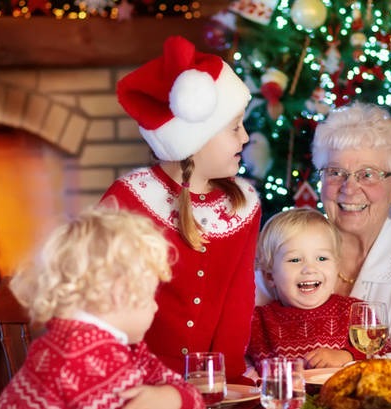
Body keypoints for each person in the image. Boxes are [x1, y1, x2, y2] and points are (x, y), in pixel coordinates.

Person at [259, 102, 391, 370]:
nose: (349, 188)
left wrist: (344, 369)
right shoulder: (288, 242)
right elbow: (245, 326)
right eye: (335, 173)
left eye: (368, 174)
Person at [104, 35, 261, 383]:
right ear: (195, 142)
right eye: (234, 127)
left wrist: (227, 379)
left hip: (213, 383)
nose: (246, 137)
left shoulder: (243, 205)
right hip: (137, 383)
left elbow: (238, 300)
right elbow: (108, 304)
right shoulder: (129, 201)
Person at [0, 207, 205, 409]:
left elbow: (192, 394)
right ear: (121, 292)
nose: (156, 307)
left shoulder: (118, 346)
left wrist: (172, 396)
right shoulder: (87, 359)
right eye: (151, 294)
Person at [247, 208, 391, 369]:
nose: (310, 269)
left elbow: (385, 353)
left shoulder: (352, 312)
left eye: (322, 258)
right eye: (295, 260)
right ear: (269, 276)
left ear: (337, 267)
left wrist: (348, 356)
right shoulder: (258, 321)